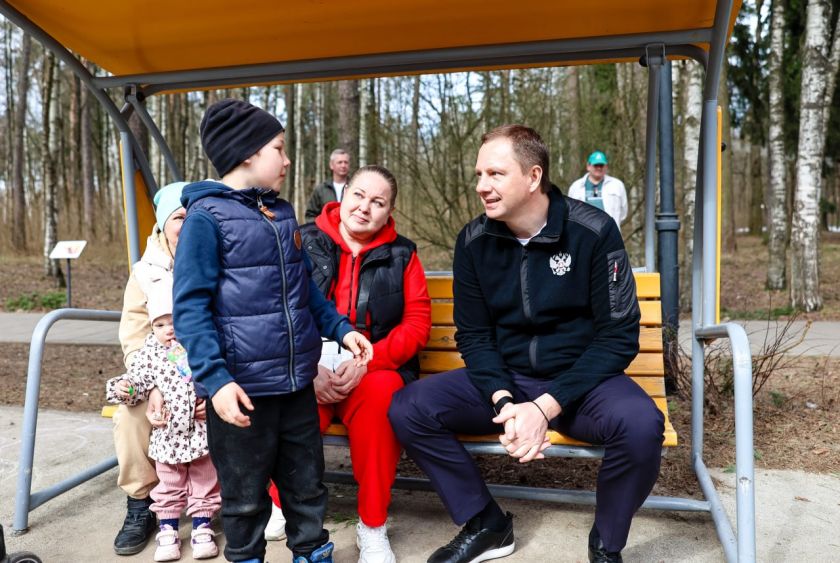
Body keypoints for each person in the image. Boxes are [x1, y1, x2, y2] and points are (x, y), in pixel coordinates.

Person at [388, 125, 664, 563]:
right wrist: (502, 399)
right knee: (409, 407)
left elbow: (617, 337)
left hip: (581, 385)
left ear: (533, 177)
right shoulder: (473, 242)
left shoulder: (593, 230)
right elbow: (475, 336)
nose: (482, 186)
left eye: (495, 174)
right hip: (509, 380)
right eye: (479, 174)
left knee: (640, 424)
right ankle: (486, 524)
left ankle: (606, 545)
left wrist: (545, 407)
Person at [173, 99, 373, 563]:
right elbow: (190, 310)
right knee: (244, 498)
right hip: (242, 393)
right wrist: (216, 381)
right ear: (246, 153)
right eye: (278, 148)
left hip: (297, 385)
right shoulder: (206, 219)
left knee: (307, 485)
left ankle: (311, 553)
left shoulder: (281, 215)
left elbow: (306, 292)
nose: (286, 160)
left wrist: (342, 329)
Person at [294, 164, 432, 563]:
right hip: (310, 362)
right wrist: (308, 366)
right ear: (342, 194)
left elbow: (417, 323)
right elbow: (278, 310)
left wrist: (369, 362)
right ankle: (281, 503)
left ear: (390, 212)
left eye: (378, 202)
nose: (365, 207)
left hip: (374, 366)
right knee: (290, 402)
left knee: (383, 399)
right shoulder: (302, 240)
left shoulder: (402, 254)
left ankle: (372, 525)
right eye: (359, 195)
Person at [107, 291, 221, 562]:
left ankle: (202, 527)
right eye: (159, 324)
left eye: (174, 322)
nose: (168, 329)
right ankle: (167, 529)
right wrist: (126, 388)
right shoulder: (150, 353)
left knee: (204, 480)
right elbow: (138, 379)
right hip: (168, 435)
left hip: (199, 432)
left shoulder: (199, 345)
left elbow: (217, 373)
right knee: (168, 483)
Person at [113, 181, 188, 556]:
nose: (188, 225)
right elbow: (134, 335)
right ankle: (141, 503)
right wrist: (155, 384)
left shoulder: (216, 258)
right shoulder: (144, 272)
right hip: (156, 369)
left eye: (196, 217)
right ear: (162, 223)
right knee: (130, 414)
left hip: (203, 372)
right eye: (179, 218)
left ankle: (218, 497)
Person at [567, 151, 628, 228]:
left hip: (609, 233)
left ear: (606, 167)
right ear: (588, 166)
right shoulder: (576, 187)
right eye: (596, 165)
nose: (599, 168)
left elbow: (623, 214)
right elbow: (570, 212)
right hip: (584, 234)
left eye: (601, 165)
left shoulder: (617, 185)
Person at [305, 149, 351, 221]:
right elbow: (310, 215)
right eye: (340, 162)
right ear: (331, 165)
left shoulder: (354, 188)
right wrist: (319, 229)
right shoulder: (321, 190)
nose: (343, 165)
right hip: (325, 231)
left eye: (346, 162)